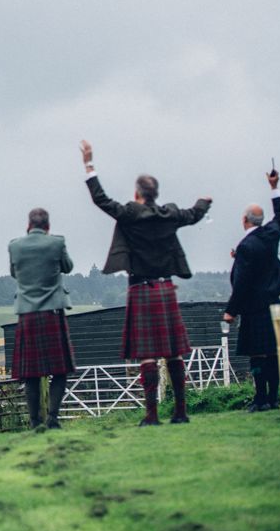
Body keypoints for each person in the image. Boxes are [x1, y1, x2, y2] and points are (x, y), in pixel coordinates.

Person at [80, 140, 212, 426]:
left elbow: (101, 200)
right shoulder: (170, 215)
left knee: (148, 355)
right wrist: (204, 200)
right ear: (155, 194)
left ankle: (151, 415)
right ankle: (180, 412)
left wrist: (89, 165)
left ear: (137, 194)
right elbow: (194, 214)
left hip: (141, 289)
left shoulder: (130, 213)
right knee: (174, 353)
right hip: (165, 289)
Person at [223, 170, 280, 412]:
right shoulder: (270, 235)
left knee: (257, 356)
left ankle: (261, 398)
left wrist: (231, 311)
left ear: (245, 220)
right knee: (274, 354)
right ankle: (274, 399)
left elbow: (242, 282)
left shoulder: (246, 246)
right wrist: (274, 187)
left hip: (255, 308)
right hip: (274, 303)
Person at [9, 207, 74, 429]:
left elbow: (14, 273)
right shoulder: (56, 243)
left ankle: (35, 422)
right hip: (52, 313)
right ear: (47, 226)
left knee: (31, 374)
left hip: (27, 315)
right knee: (60, 370)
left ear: (28, 225)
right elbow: (68, 266)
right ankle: (53, 418)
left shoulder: (15, 246)